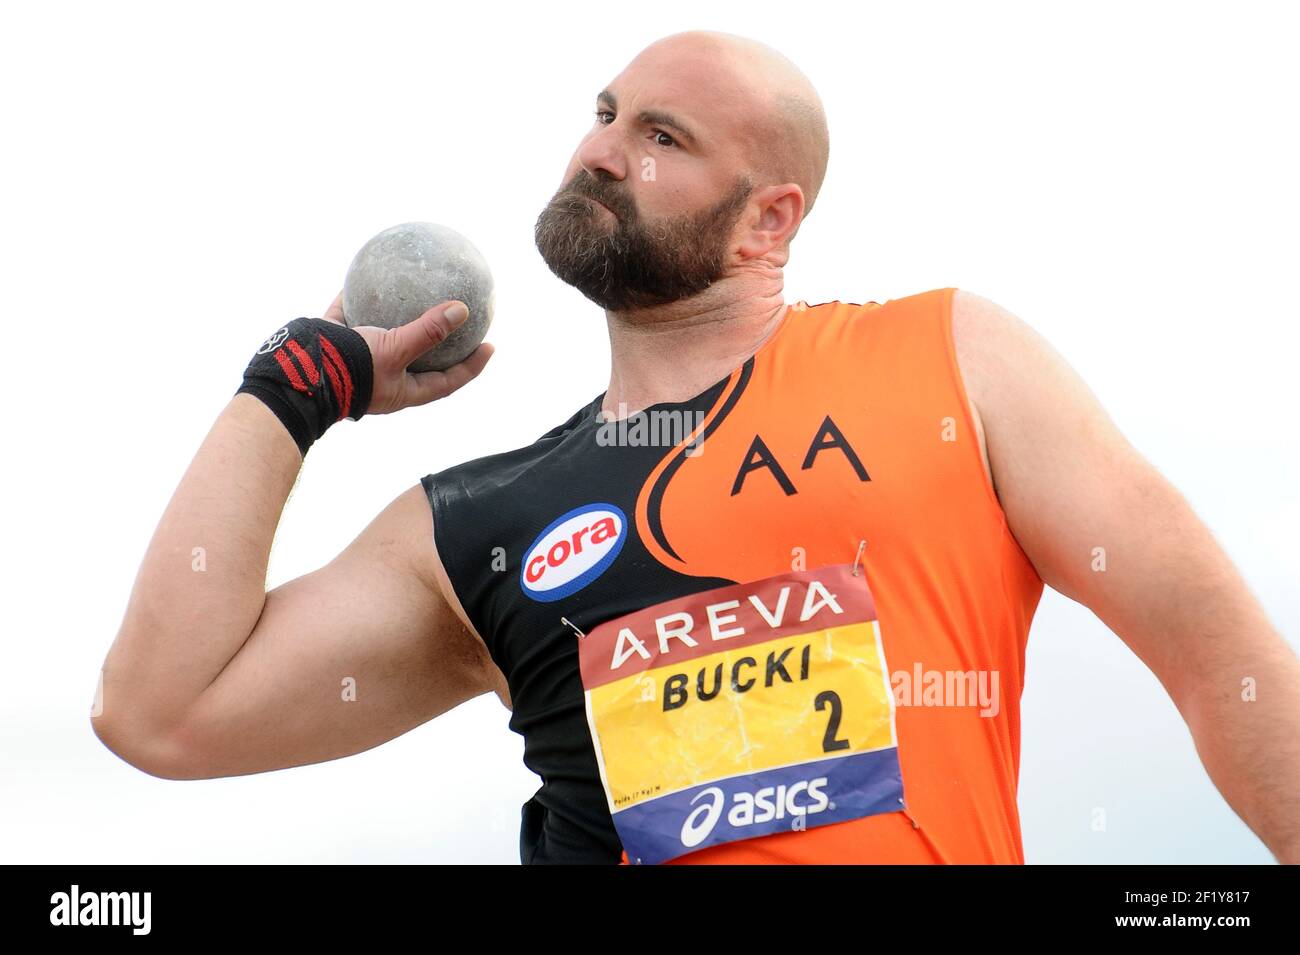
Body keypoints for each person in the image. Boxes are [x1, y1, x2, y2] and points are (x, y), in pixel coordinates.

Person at [92, 30, 1300, 865]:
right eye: (605, 113)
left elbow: (1215, 656)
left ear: (768, 218)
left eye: (662, 136)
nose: (602, 152)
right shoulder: (478, 522)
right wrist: (288, 395)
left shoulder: (952, 361)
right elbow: (161, 715)